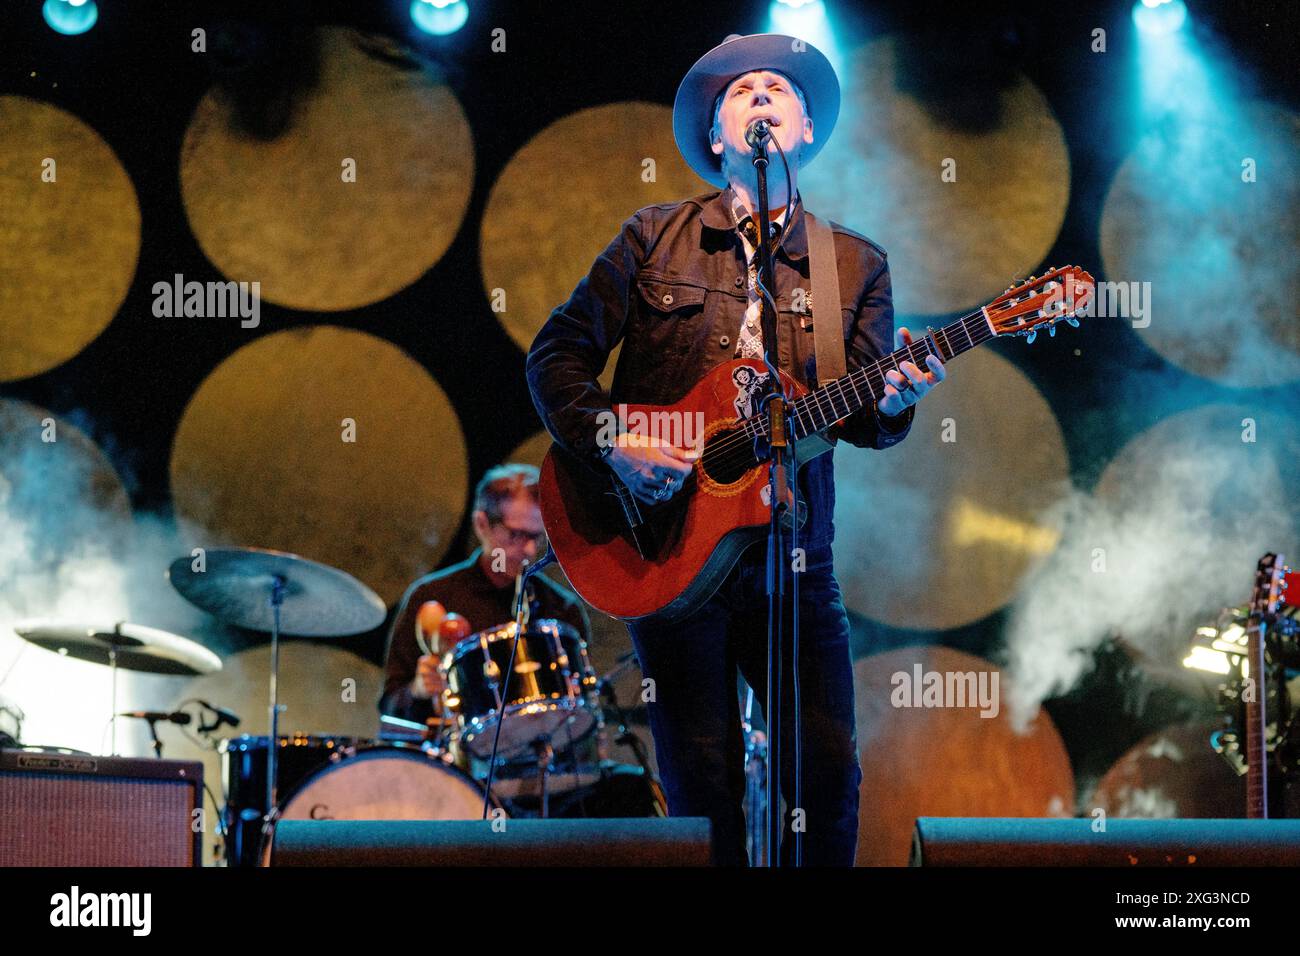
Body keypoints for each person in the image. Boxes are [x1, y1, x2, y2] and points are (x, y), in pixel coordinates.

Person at [526, 34, 945, 865]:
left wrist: (895, 400)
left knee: (825, 777)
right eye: (741, 91)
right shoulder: (654, 236)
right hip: (665, 547)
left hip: (795, 555)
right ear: (718, 135)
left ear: (806, 127)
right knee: (702, 784)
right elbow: (555, 355)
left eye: (777, 89)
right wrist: (612, 440)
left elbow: (860, 416)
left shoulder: (852, 264)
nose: (760, 95)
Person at [379, 463, 591, 725]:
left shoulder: (562, 610)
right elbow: (389, 706)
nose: (528, 550)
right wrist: (417, 690)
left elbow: (583, 710)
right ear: (481, 524)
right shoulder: (432, 595)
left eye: (537, 537)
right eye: (516, 534)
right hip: (455, 761)